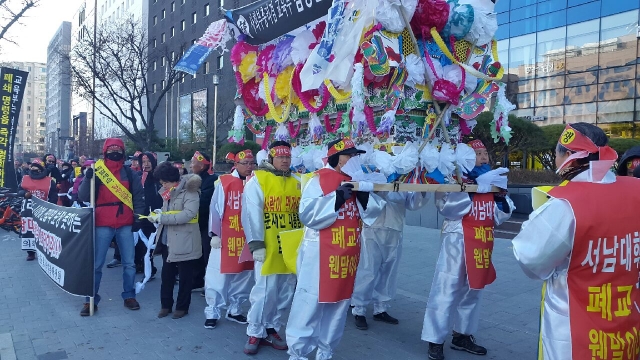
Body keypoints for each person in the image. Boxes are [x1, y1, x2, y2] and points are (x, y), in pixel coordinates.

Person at [512, 123, 640, 360]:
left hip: (574, 331)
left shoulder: (565, 204)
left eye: (557, 152)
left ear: (569, 156)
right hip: (626, 325)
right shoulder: (636, 189)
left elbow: (530, 259)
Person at [286, 138, 386, 360]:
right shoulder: (318, 180)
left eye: (355, 155)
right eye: (349, 155)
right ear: (336, 158)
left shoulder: (357, 181)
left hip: (347, 254)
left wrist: (364, 197)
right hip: (319, 253)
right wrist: (336, 198)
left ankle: (326, 351)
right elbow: (307, 214)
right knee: (310, 301)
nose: (353, 159)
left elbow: (373, 214)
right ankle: (298, 352)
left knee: (339, 303)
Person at [422, 139, 514, 360]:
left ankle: (462, 334)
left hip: (482, 241)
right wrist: (472, 190)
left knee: (474, 289)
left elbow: (500, 215)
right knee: (447, 287)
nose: (483, 157)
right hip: (457, 238)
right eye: (478, 153)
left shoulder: (492, 178)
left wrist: (500, 198)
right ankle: (435, 338)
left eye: (485, 153)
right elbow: (447, 208)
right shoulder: (453, 177)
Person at [242, 141, 301, 355]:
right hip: (267, 246)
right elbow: (251, 213)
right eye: (281, 156)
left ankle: (273, 328)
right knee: (264, 290)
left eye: (288, 157)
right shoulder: (258, 180)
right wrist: (256, 243)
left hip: (292, 246)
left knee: (285, 290)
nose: (285, 160)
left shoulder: (298, 181)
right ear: (271, 158)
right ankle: (255, 330)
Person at [78, 138, 145, 316]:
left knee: (129, 264)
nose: (114, 152)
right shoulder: (97, 172)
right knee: (97, 264)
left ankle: (129, 296)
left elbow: (138, 196)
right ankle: (90, 300)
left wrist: (138, 218)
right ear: (105, 151)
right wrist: (87, 178)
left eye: (118, 149)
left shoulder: (129, 173)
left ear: (123, 152)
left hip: (125, 222)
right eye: (111, 149)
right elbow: (83, 196)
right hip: (102, 223)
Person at [351, 189, 430, 330]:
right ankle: (359, 309)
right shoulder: (370, 169)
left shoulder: (402, 174)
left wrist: (422, 191)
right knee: (367, 270)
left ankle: (381, 308)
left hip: (395, 227)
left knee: (389, 270)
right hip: (372, 227)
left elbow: (413, 204)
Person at [204, 150, 256, 330]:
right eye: (245, 163)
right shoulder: (225, 182)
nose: (249, 167)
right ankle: (212, 310)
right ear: (236, 165)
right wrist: (215, 234)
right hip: (226, 236)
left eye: (252, 163)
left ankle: (235, 309)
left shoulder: (256, 182)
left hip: (247, 238)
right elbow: (215, 209)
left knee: (243, 275)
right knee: (218, 275)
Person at [149, 162, 202, 319]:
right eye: (161, 183)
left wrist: (162, 218)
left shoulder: (190, 191)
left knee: (185, 277)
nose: (163, 185)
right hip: (168, 239)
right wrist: (159, 214)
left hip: (185, 240)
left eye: (164, 182)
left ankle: (182, 307)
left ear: (172, 179)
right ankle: (165, 305)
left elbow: (188, 214)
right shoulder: (169, 192)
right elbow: (169, 212)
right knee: (166, 275)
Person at [17, 159, 58, 261]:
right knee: (28, 231)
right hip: (28, 208)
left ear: (41, 169)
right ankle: (30, 252)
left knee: (43, 230)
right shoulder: (25, 178)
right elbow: (19, 190)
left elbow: (54, 196)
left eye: (36, 167)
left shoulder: (49, 181)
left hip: (44, 208)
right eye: (32, 167)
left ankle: (44, 250)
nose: (34, 169)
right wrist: (24, 194)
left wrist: (51, 207)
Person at [189, 151, 218, 292]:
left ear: (201, 166)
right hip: (196, 222)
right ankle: (197, 281)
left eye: (193, 163)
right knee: (197, 253)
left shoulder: (211, 179)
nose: (190, 166)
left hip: (208, 222)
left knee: (207, 254)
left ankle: (212, 284)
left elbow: (205, 202)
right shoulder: (192, 178)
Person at [136, 152, 162, 277]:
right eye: (143, 162)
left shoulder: (160, 176)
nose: (146, 164)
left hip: (161, 215)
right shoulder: (139, 177)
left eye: (149, 161)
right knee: (145, 243)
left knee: (163, 244)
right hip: (145, 215)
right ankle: (148, 268)